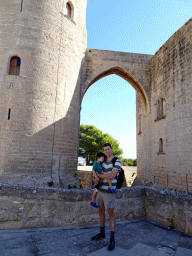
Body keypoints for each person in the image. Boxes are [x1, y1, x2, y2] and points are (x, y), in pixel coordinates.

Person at [91, 143, 121, 251]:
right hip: (100, 190)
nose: (107, 151)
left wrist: (99, 176)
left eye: (108, 149)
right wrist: (96, 177)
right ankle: (102, 232)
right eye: (105, 150)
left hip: (109, 192)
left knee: (111, 213)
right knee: (100, 211)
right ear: (103, 151)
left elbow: (112, 175)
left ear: (111, 149)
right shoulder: (101, 162)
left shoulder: (116, 161)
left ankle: (112, 239)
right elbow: (95, 178)